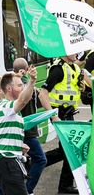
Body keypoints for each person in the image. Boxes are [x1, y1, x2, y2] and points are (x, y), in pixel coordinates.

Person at [41, 54, 87, 193]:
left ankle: (34, 163)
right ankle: (64, 186)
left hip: (69, 113)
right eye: (74, 51)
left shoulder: (75, 68)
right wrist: (53, 116)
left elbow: (73, 89)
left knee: (65, 150)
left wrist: (82, 87)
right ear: (66, 53)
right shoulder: (58, 69)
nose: (78, 54)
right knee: (70, 150)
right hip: (59, 114)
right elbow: (42, 94)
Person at [0, 67, 39, 195]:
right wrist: (32, 81)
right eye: (19, 85)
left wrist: (18, 145)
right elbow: (23, 100)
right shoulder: (7, 106)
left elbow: (0, 133)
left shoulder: (9, 109)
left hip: (6, 160)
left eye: (23, 85)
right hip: (6, 161)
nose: (22, 88)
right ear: (9, 89)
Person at [12, 58, 54, 194]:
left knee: (16, 164)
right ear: (22, 71)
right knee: (40, 160)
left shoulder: (19, 85)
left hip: (23, 130)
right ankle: (27, 190)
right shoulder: (22, 86)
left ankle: (10, 190)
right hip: (26, 131)